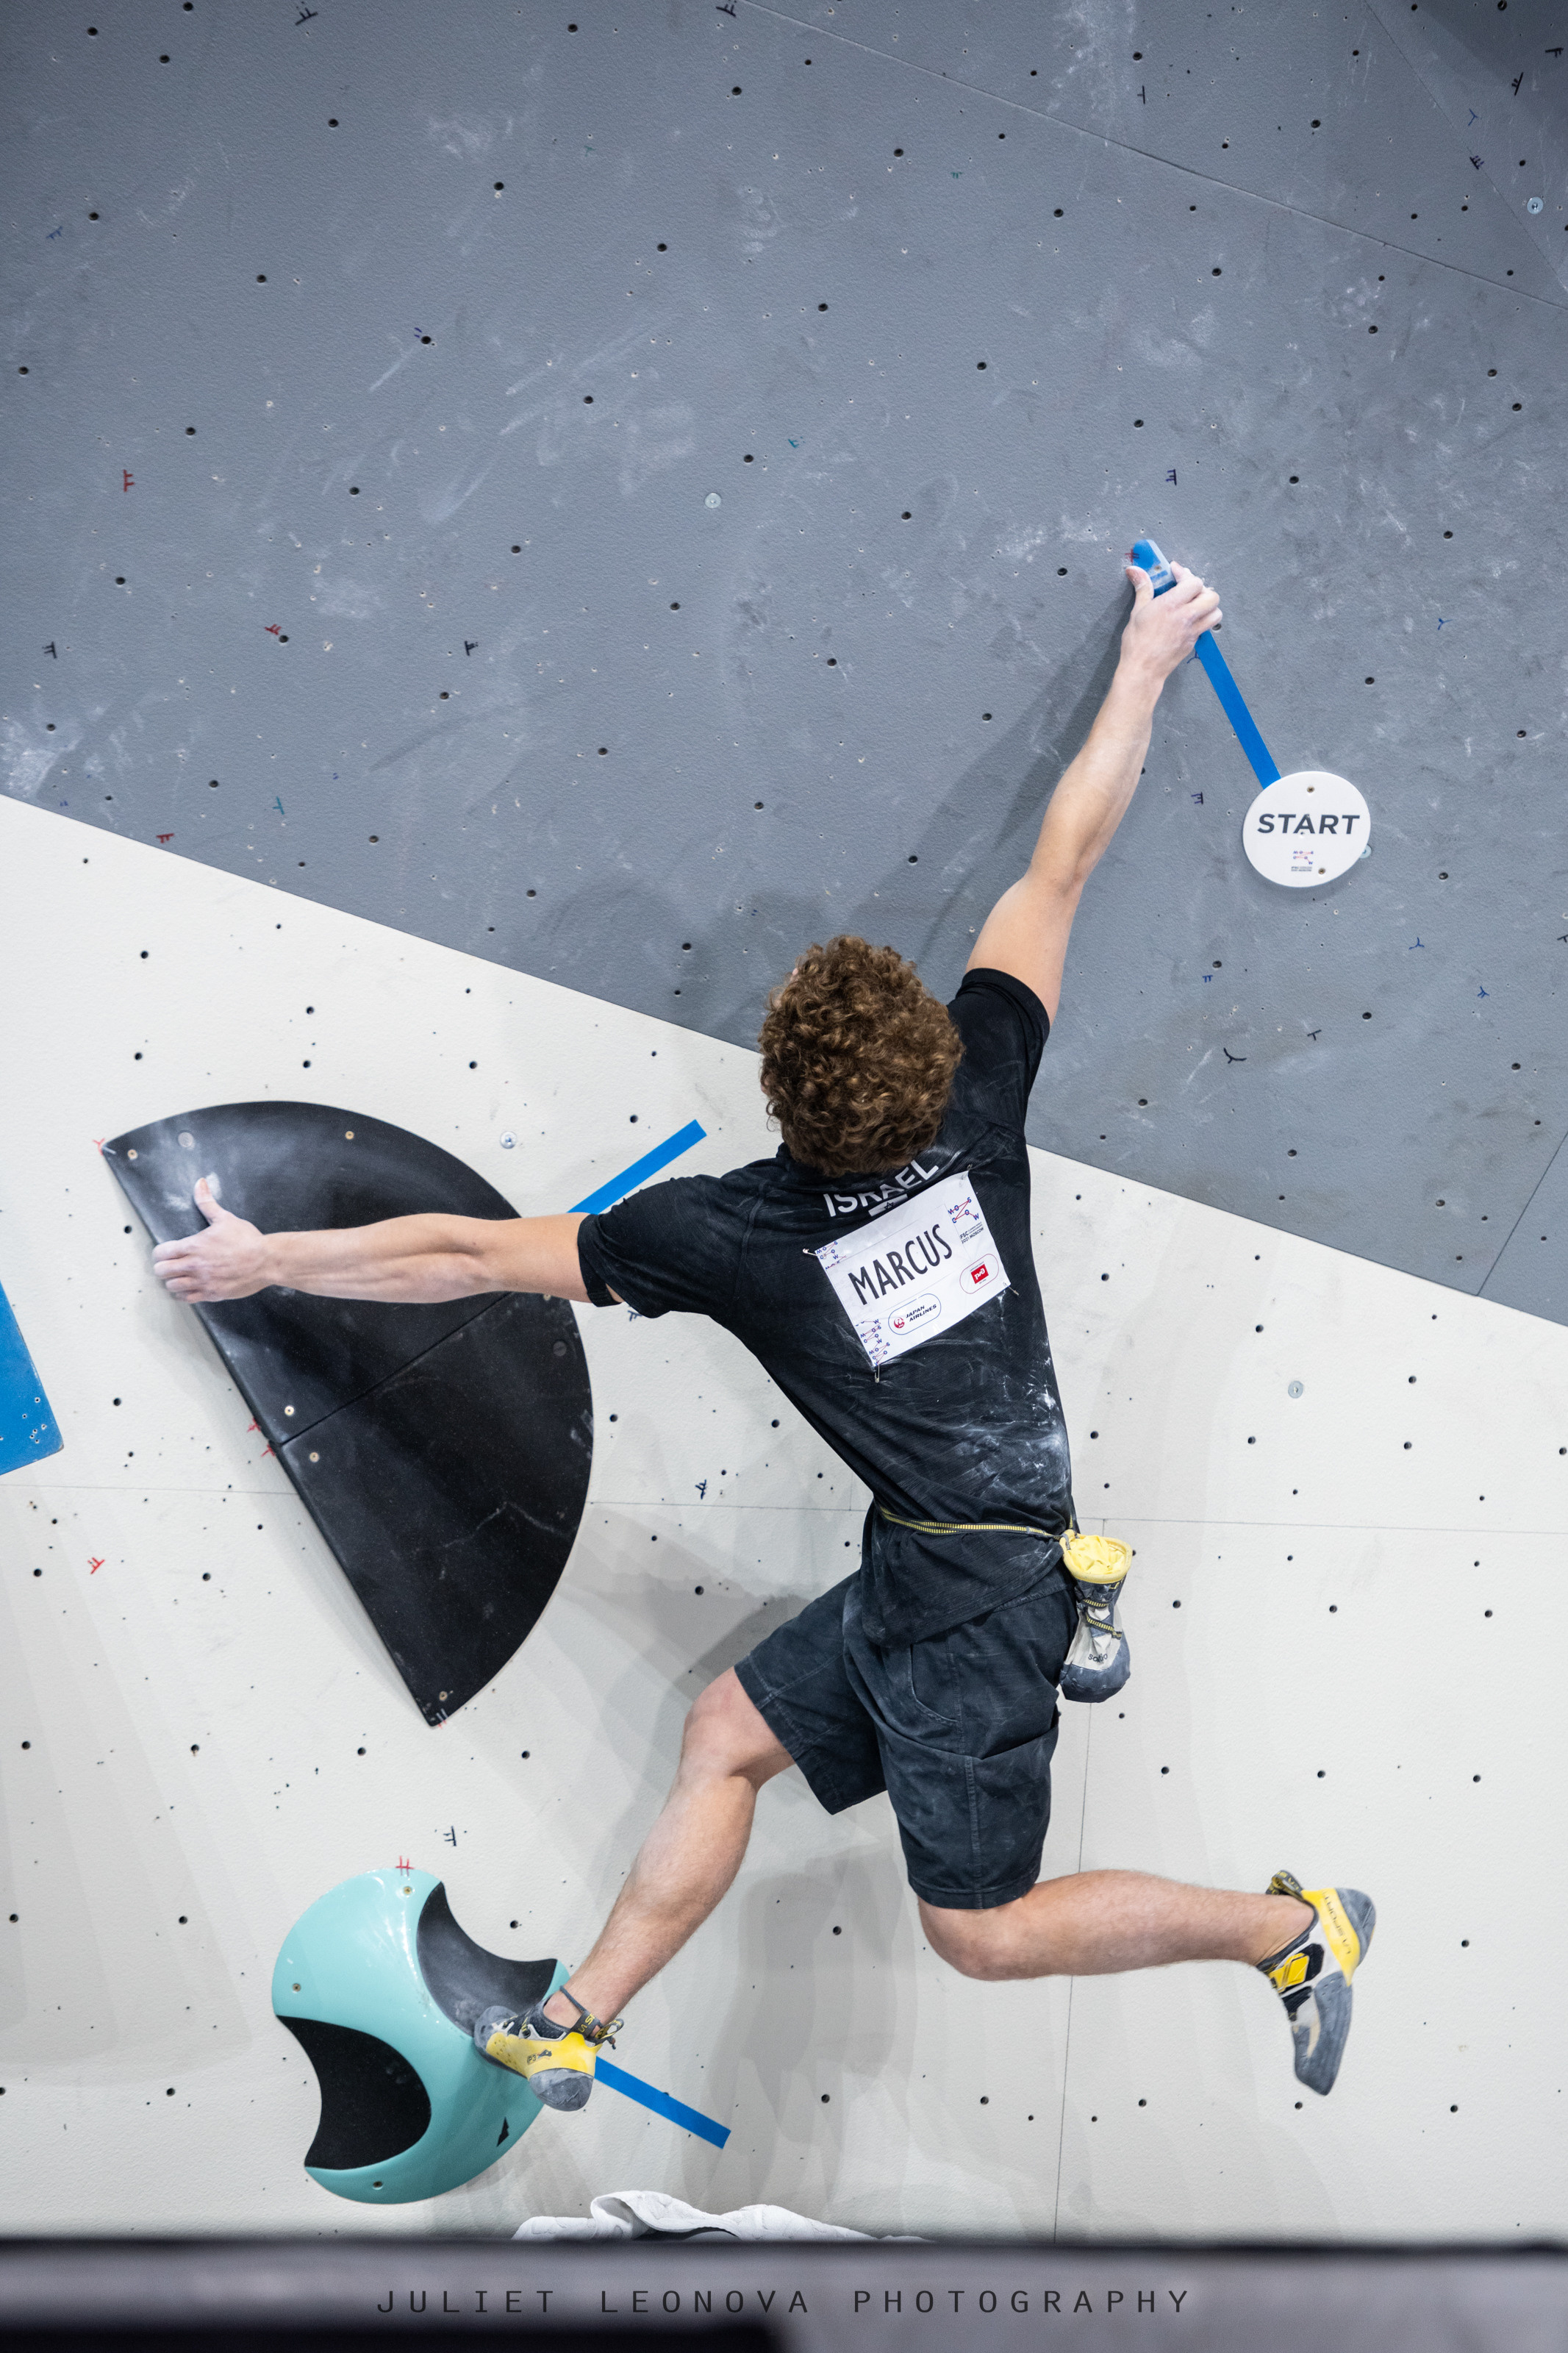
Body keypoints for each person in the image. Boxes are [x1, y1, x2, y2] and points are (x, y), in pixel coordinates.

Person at [152, 557, 1374, 2111]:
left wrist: (271, 1259)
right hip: (942, 1557)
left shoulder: (734, 1233)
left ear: (779, 1099)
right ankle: (578, 2019)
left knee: (978, 1933)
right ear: (927, 1061)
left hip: (973, 1604)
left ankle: (1294, 1929)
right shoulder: (980, 1090)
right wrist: (1146, 661)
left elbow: (461, 1250)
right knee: (725, 1733)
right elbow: (1060, 863)